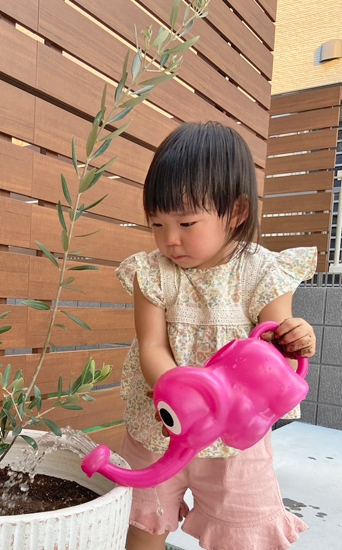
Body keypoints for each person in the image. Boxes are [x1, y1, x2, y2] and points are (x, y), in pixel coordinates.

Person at [116, 121, 317, 550]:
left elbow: (274, 353)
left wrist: (295, 340)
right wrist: (179, 400)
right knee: (144, 523)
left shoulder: (262, 272)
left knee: (244, 532)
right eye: (157, 224)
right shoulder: (152, 273)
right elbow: (152, 345)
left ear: (237, 212)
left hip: (234, 441)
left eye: (187, 222)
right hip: (160, 428)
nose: (170, 239)